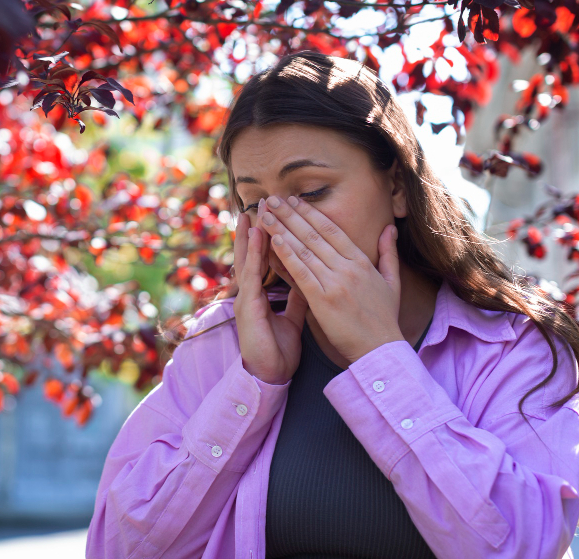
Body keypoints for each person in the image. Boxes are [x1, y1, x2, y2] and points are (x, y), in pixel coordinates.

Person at [86, 50, 579, 558]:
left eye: (312, 191)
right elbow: (118, 548)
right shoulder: (224, 340)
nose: (277, 222)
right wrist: (253, 383)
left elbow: (523, 545)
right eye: (253, 203)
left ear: (396, 186)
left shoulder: (512, 348)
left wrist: (379, 355)